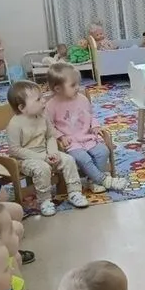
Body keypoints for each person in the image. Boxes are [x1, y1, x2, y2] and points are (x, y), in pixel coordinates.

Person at [5, 80, 89, 216]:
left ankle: (75, 192)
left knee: (68, 160)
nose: (44, 100)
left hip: (45, 152)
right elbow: (15, 150)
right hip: (25, 159)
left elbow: (50, 136)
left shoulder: (43, 117)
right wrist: (42, 157)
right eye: (38, 99)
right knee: (42, 168)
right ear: (22, 107)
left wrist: (53, 152)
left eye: (42, 97)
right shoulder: (15, 125)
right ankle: (44, 200)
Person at [44, 62, 128, 192]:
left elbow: (90, 116)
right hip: (71, 143)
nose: (78, 87)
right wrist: (61, 137)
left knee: (103, 151)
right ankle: (104, 180)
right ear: (58, 89)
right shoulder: (51, 105)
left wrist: (95, 126)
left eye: (78, 83)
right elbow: (49, 127)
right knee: (83, 158)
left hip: (87, 136)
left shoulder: (82, 99)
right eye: (73, 85)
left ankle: (93, 181)